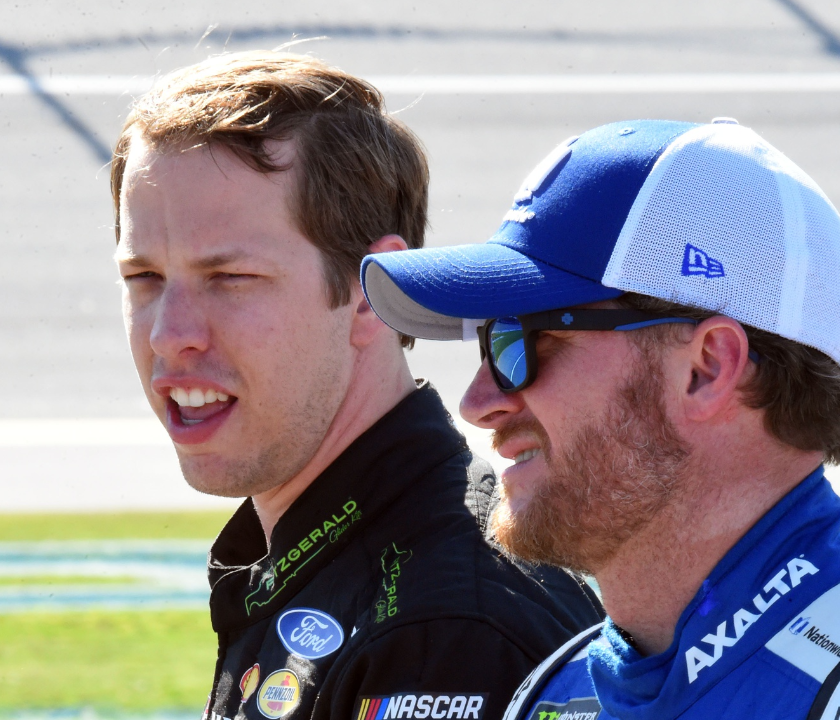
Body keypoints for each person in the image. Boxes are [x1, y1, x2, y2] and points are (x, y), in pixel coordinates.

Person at [360, 119, 840, 720]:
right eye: (487, 342)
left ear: (708, 367)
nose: (479, 401)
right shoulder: (558, 694)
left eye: (524, 342)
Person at [109, 51, 602, 720]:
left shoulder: (443, 639)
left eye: (230, 279)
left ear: (374, 295)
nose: (170, 334)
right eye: (145, 279)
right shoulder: (320, 559)